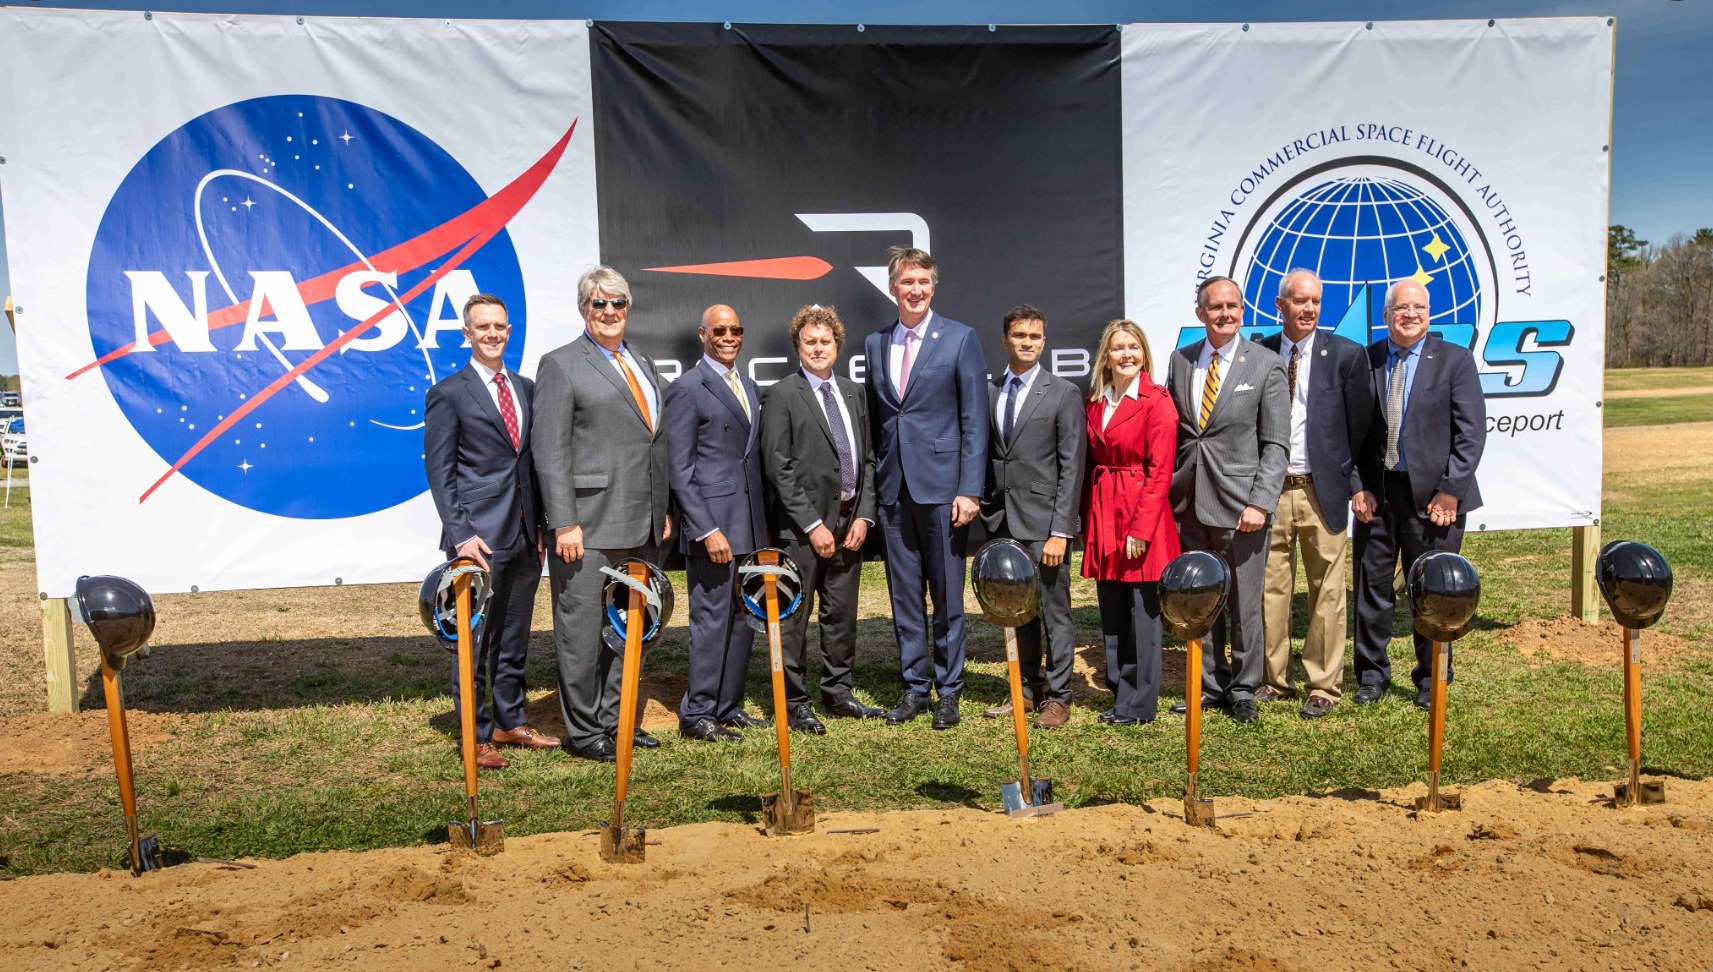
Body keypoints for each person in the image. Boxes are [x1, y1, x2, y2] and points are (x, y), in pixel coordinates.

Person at [531, 266, 673, 762]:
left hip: (643, 523)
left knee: (627, 626)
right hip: (587, 526)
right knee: (581, 631)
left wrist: (664, 509)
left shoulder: (644, 363)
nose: (610, 312)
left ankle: (618, 722)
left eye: (618, 303)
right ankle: (585, 731)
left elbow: (654, 444)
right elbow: (549, 451)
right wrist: (563, 521)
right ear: (583, 309)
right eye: (599, 304)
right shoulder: (561, 364)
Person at [423, 294, 558, 770]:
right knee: (474, 642)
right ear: (467, 334)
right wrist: (461, 535)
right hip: (477, 538)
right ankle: (474, 736)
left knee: (514, 636)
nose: (493, 334)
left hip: (524, 535)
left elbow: (533, 464)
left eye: (500, 326)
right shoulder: (449, 393)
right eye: (483, 327)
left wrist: (541, 524)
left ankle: (508, 720)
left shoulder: (524, 387)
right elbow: (441, 474)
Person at [862, 246, 988, 730]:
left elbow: (973, 420)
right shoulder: (876, 344)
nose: (915, 290)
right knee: (905, 597)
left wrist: (969, 489)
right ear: (892, 287)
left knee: (948, 598)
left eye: (923, 282)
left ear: (933, 287)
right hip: (895, 491)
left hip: (943, 491)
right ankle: (915, 687)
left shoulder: (960, 339)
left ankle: (950, 690)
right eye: (906, 282)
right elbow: (879, 421)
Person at [1351, 278, 1486, 709]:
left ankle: (1432, 677)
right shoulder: (1364, 360)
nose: (1410, 314)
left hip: (1434, 501)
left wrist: (1450, 492)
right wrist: (1358, 488)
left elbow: (1471, 434)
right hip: (1378, 496)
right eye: (1401, 308)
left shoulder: (1455, 360)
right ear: (1386, 315)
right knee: (1372, 589)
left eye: (1419, 307)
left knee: (1434, 592)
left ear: (1429, 314)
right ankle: (1371, 676)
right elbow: (1348, 433)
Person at [1165, 276, 1289, 725]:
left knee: (1244, 602)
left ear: (1243, 310)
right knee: (1202, 596)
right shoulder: (1180, 361)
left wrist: (1261, 502)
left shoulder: (1266, 364)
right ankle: (1210, 685)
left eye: (1233, 306)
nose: (1225, 314)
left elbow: (1276, 444)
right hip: (1190, 503)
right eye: (1215, 307)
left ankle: (1244, 687)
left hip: (1243, 506)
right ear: (1200, 314)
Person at [759, 305, 888, 733]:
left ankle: (838, 692)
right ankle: (794, 701)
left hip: (850, 523)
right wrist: (813, 526)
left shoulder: (854, 393)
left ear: (837, 345)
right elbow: (777, 467)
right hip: (801, 530)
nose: (818, 348)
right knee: (794, 617)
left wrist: (864, 517)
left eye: (825, 341)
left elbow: (869, 461)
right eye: (810, 341)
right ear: (798, 347)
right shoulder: (781, 395)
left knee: (842, 614)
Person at [1255, 270, 1373, 719]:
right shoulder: (1260, 353)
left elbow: (1360, 430)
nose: (1309, 309)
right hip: (1270, 492)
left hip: (1322, 490)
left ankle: (1323, 684)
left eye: (1316, 302)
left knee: (1328, 590)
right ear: (1279, 305)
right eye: (1299, 301)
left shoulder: (1345, 354)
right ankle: (1273, 679)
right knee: (1271, 588)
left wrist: (1357, 485)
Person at [974, 305, 1087, 728]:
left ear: (1044, 341)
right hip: (1002, 521)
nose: (1027, 342)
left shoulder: (1063, 392)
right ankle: (1024, 690)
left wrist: (1061, 531)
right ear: (1005, 340)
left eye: (1035, 336)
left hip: (1045, 524)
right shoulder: (989, 390)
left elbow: (1072, 467)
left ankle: (1059, 697)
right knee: (1017, 609)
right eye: (1019, 335)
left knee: (1055, 610)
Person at [665, 305, 770, 743]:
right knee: (710, 621)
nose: (728, 337)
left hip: (749, 523)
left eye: (735, 329)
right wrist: (706, 529)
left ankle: (728, 706)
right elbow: (679, 468)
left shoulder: (748, 384)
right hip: (714, 528)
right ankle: (698, 713)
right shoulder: (687, 388)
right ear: (702, 334)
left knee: (744, 616)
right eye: (719, 330)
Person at [1080, 320, 1180, 725]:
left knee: (1143, 613)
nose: (1127, 355)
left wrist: (1140, 529)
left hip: (1142, 513)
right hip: (1106, 511)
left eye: (1134, 347)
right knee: (1113, 610)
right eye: (1119, 348)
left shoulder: (1157, 401)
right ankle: (1120, 694)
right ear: (1106, 355)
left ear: (1144, 354)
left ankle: (1139, 706)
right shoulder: (1097, 402)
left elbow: (1160, 471)